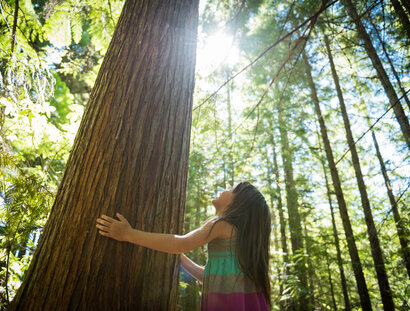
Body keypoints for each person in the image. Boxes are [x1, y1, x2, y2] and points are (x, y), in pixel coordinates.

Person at [96, 181, 271, 310]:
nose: (225, 189)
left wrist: (128, 233)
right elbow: (211, 277)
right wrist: (181, 260)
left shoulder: (221, 224)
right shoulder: (240, 244)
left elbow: (180, 243)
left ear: (239, 204)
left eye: (232, 189)